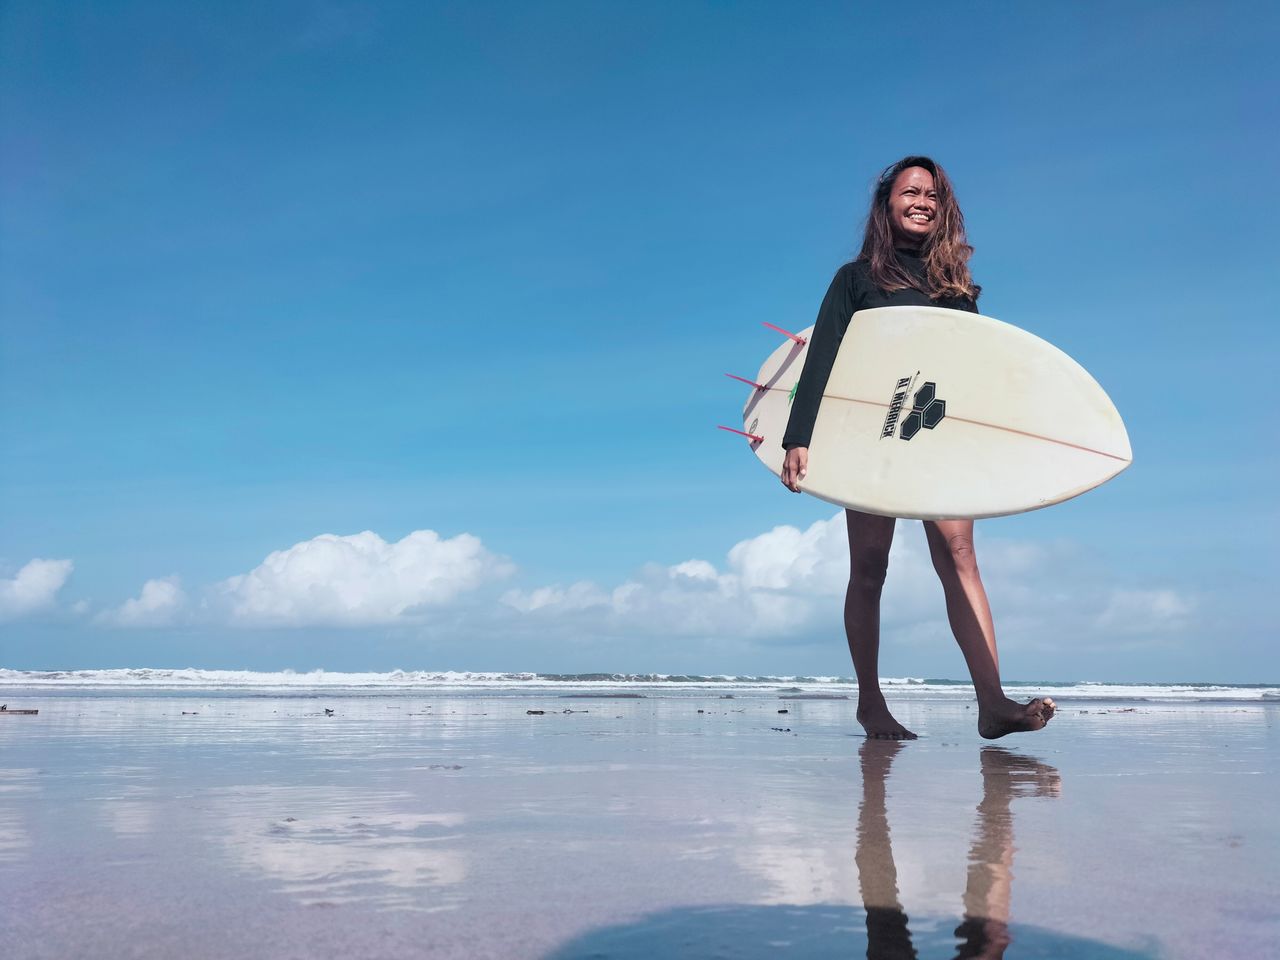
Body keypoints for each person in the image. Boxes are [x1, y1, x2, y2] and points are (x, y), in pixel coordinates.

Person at [780, 155, 1056, 740]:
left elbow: (973, 374)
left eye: (932, 194)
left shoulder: (954, 290)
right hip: (873, 438)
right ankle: (870, 703)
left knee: (959, 555)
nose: (922, 201)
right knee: (870, 567)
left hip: (939, 436)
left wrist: (999, 442)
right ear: (887, 204)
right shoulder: (855, 279)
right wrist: (798, 436)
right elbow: (821, 358)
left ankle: (993, 702)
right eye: (910, 192)